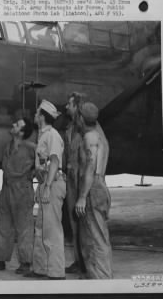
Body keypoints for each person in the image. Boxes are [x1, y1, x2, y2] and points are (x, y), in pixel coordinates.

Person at [0, 118, 36, 275]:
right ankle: (0, 260)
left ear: (21, 132)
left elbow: (39, 167)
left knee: (24, 228)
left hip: (22, 191)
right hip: (7, 190)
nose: (13, 125)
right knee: (2, 226)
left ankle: (26, 262)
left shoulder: (31, 148)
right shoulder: (8, 146)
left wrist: (28, 176)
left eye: (17, 124)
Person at [24, 100, 67, 280]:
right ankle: (40, 269)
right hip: (45, 184)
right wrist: (40, 187)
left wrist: (48, 187)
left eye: (36, 113)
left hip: (53, 184)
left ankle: (56, 273)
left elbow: (55, 162)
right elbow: (43, 164)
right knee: (41, 228)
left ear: (42, 116)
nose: (34, 116)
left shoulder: (52, 136)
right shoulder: (43, 135)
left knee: (52, 229)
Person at [75, 102, 113, 279]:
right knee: (94, 235)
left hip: (93, 188)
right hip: (100, 186)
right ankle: (96, 277)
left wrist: (82, 196)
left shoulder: (89, 138)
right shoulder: (100, 136)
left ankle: (102, 280)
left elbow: (90, 166)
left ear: (81, 118)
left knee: (96, 237)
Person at [64, 92, 86, 274]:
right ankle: (79, 260)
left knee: (85, 221)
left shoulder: (86, 130)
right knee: (73, 222)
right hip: (71, 180)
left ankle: (87, 260)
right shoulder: (69, 128)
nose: (66, 107)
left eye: (69, 104)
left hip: (81, 179)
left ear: (77, 106)